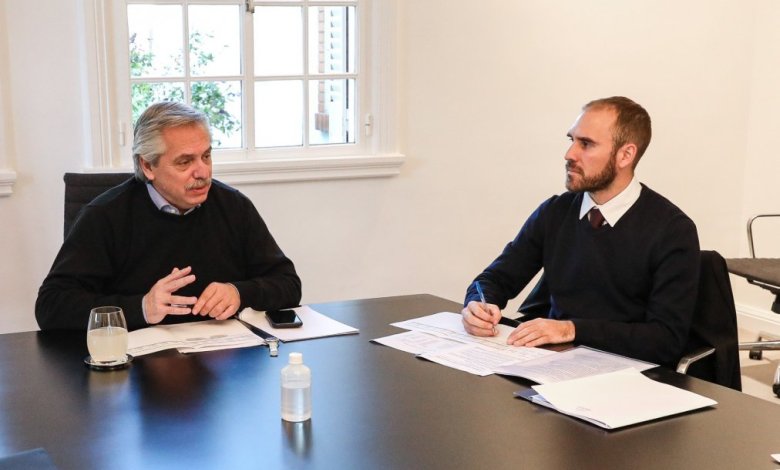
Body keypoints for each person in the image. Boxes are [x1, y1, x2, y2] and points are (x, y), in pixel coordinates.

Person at [461, 96, 700, 368]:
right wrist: (478, 305)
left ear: (625, 155)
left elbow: (665, 340)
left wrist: (571, 329)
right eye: (571, 140)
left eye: (585, 144)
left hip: (627, 374)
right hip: (551, 365)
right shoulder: (556, 211)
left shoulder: (672, 230)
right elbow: (494, 279)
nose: (569, 154)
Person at [36, 101, 301, 330]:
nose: (203, 172)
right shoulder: (105, 216)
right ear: (147, 165)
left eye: (206, 156)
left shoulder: (234, 206)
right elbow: (51, 306)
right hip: (139, 365)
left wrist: (239, 293)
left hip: (222, 358)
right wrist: (141, 307)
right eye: (185, 162)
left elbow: (288, 284)